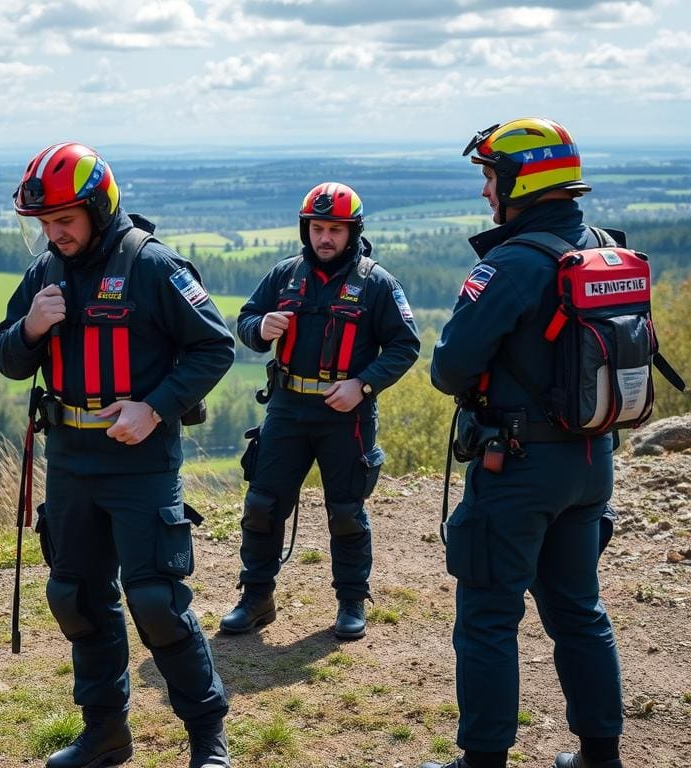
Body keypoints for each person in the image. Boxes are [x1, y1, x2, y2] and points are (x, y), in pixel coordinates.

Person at [0, 142, 235, 768]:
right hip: (70, 460)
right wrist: (30, 329)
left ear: (100, 208)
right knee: (75, 595)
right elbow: (8, 357)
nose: (54, 233)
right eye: (45, 223)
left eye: (65, 220)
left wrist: (153, 407)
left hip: (140, 462)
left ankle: (207, 735)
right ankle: (105, 732)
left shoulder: (153, 265)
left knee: (155, 601)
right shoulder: (43, 273)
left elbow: (215, 348)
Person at [422, 118, 625, 768]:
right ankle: (601, 754)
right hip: (592, 461)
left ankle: (482, 762)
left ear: (519, 181)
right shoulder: (600, 245)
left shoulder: (511, 262)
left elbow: (449, 369)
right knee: (578, 611)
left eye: (489, 176)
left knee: (486, 615)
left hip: (518, 467)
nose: (486, 191)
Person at [219, 182, 420, 640]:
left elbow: (405, 346)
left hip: (346, 412)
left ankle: (351, 600)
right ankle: (256, 597)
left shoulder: (377, 283)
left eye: (335, 229)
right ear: (305, 229)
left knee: (346, 511)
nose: (325, 238)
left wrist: (362, 384)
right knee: (263, 505)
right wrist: (259, 327)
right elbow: (246, 320)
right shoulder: (284, 275)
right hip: (288, 407)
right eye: (317, 228)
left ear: (353, 232)